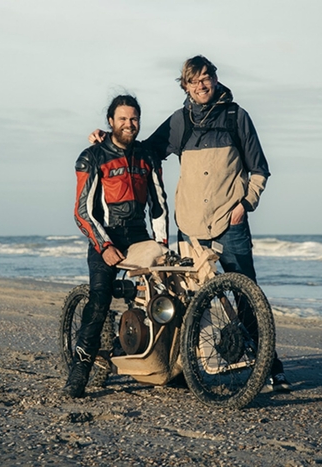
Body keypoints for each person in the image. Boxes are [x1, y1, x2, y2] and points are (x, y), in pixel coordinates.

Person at [90, 56, 290, 392]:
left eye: (206, 78)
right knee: (186, 300)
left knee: (247, 296)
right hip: (190, 226)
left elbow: (259, 169)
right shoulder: (180, 121)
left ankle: (271, 366)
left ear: (214, 79)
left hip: (230, 222)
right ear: (185, 86)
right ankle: (184, 367)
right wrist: (108, 141)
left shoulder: (236, 116)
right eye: (194, 81)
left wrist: (245, 204)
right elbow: (142, 151)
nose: (201, 85)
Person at [64, 94, 169, 398]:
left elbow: (159, 206)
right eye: (122, 118)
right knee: (98, 301)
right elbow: (82, 212)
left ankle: (162, 361)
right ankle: (79, 371)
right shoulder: (92, 156)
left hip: (139, 237)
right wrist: (105, 245)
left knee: (162, 295)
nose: (129, 124)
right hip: (105, 237)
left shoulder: (147, 157)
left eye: (134, 119)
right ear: (110, 121)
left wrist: (162, 247)